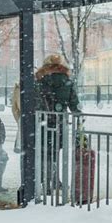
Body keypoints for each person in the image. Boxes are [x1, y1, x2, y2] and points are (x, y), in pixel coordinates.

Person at [35, 54, 81, 194]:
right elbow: (74, 103)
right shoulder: (67, 81)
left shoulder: (41, 81)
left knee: (45, 153)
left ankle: (45, 182)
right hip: (60, 123)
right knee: (55, 152)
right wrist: (77, 114)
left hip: (43, 122)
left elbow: (36, 102)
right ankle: (54, 180)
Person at [11, 82, 21, 153]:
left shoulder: (17, 89)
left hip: (21, 114)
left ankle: (18, 146)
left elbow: (15, 107)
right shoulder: (18, 89)